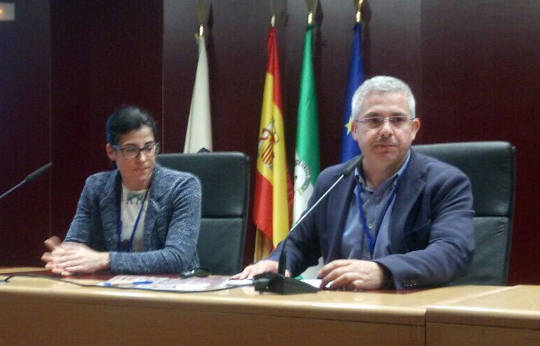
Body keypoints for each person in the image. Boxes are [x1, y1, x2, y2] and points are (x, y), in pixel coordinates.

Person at [233, 75, 474, 290]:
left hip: (408, 308)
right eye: (374, 120)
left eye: (398, 120)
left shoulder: (445, 182)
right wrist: (277, 262)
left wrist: (384, 271)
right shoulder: (333, 180)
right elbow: (300, 243)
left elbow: (452, 252)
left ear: (413, 129)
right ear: (355, 130)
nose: (386, 130)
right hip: (342, 310)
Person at [41, 106, 201, 276]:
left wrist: (104, 260)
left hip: (172, 292)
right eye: (131, 149)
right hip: (113, 291)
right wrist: (63, 255)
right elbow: (76, 243)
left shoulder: (183, 187)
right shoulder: (96, 187)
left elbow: (177, 258)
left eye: (148, 147)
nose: (143, 158)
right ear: (111, 152)